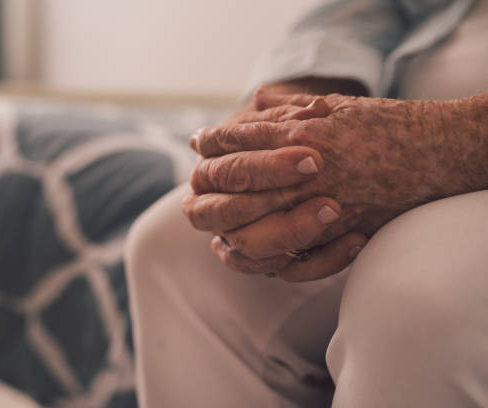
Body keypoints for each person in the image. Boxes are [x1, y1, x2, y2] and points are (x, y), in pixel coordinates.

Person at [125, 0, 488, 406]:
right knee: (175, 247)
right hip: (415, 93)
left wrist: (445, 142)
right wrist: (292, 109)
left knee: (412, 302)